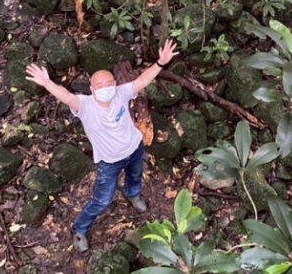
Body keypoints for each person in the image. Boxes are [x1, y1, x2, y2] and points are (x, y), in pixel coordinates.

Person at [25, 39, 179, 253]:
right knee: (102, 200)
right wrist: (47, 83)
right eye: (100, 85)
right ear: (91, 88)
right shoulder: (84, 105)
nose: (106, 88)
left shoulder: (121, 93)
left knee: (135, 177)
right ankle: (79, 228)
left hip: (135, 149)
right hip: (109, 162)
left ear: (114, 84)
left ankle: (132, 194)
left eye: (109, 84)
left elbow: (142, 80)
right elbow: (67, 96)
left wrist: (160, 63)